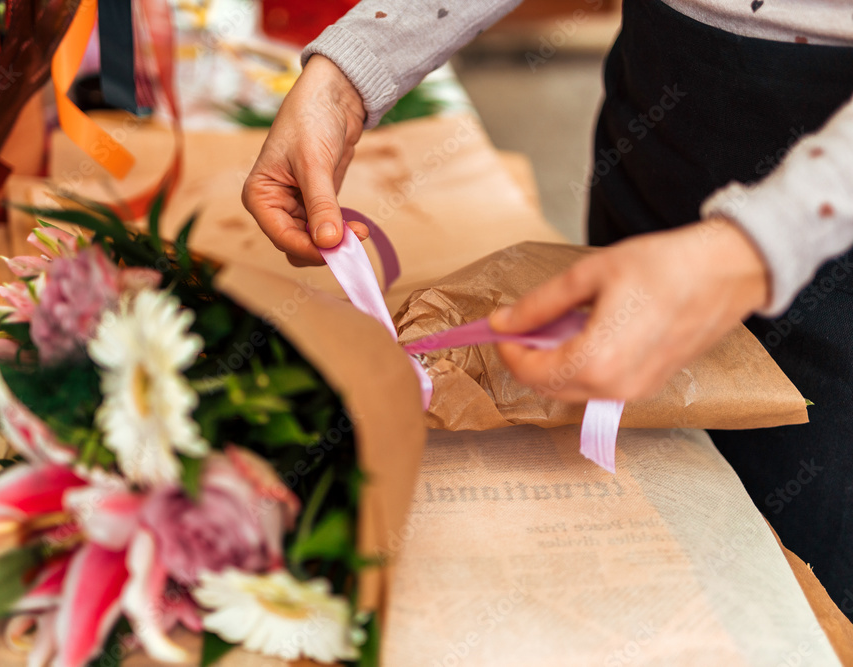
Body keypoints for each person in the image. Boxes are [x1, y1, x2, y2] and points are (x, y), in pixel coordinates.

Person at [241, 0, 853, 619]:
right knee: (646, 532)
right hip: (663, 108)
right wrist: (354, 69)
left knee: (795, 585)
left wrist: (758, 245)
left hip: (834, 217)